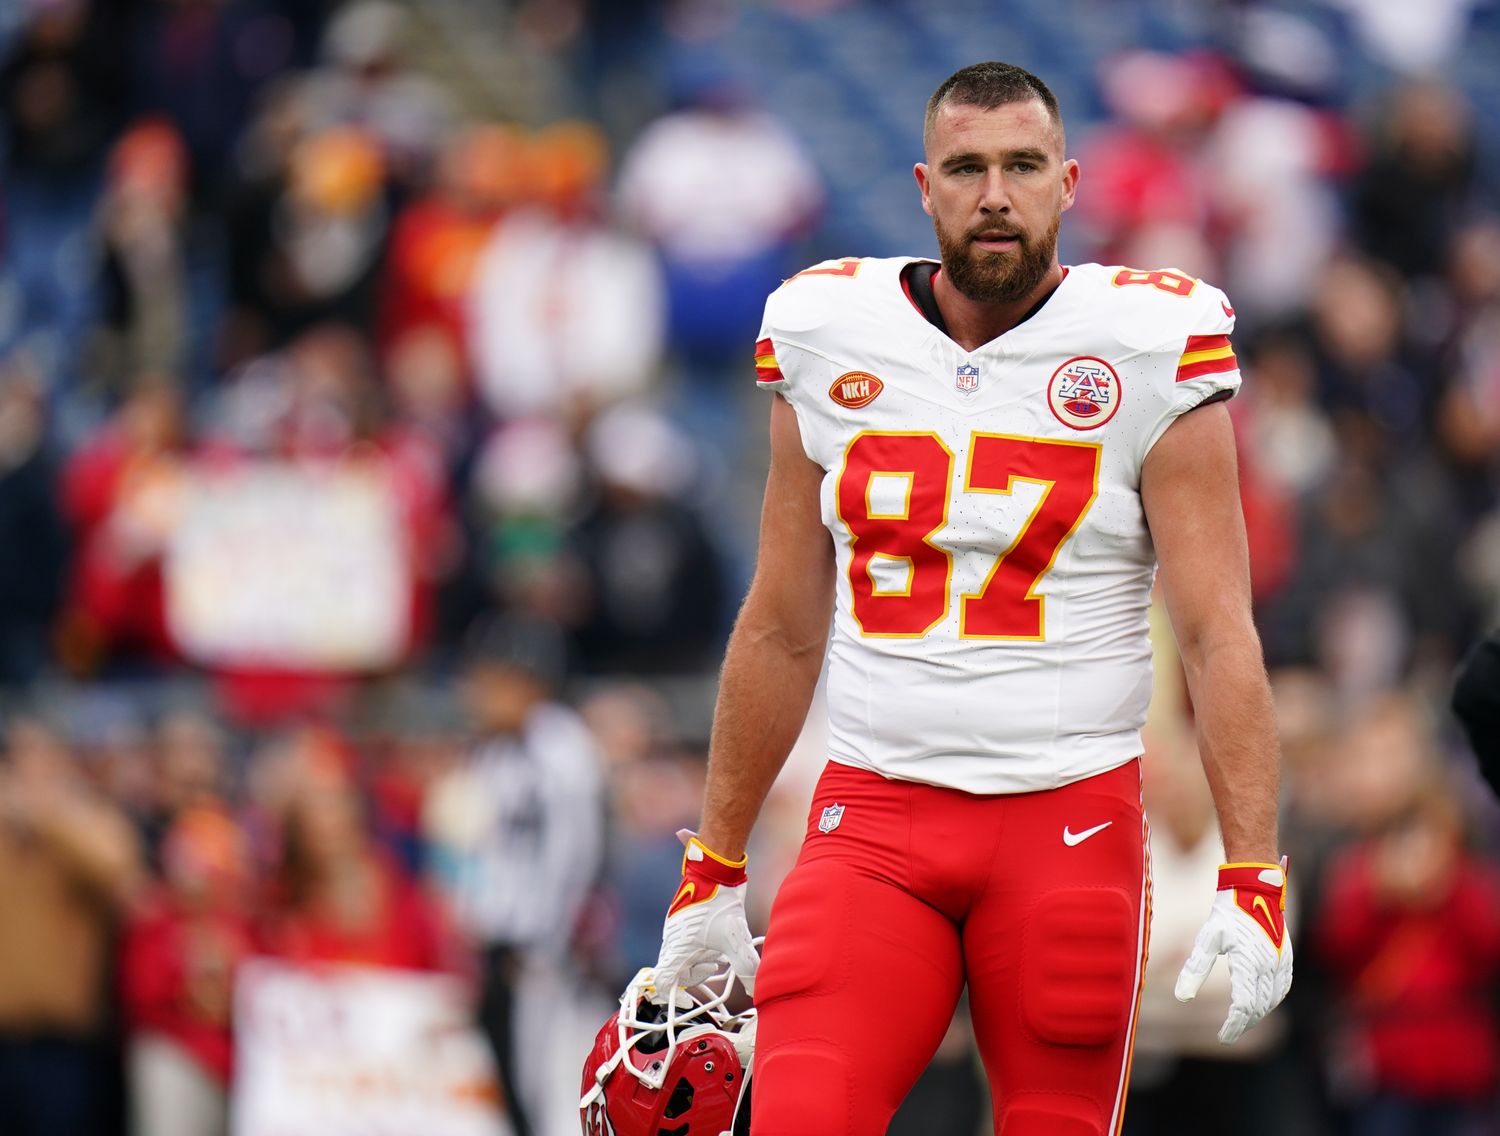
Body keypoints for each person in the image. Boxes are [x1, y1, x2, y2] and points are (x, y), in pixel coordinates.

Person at [645, 62, 1293, 1136]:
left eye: (1023, 165)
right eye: (967, 168)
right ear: (924, 186)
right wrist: (712, 861)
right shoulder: (827, 328)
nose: (996, 194)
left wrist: (1252, 865)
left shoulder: (1149, 344)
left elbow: (1218, 632)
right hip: (871, 819)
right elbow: (782, 623)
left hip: (1067, 821)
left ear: (1068, 183)